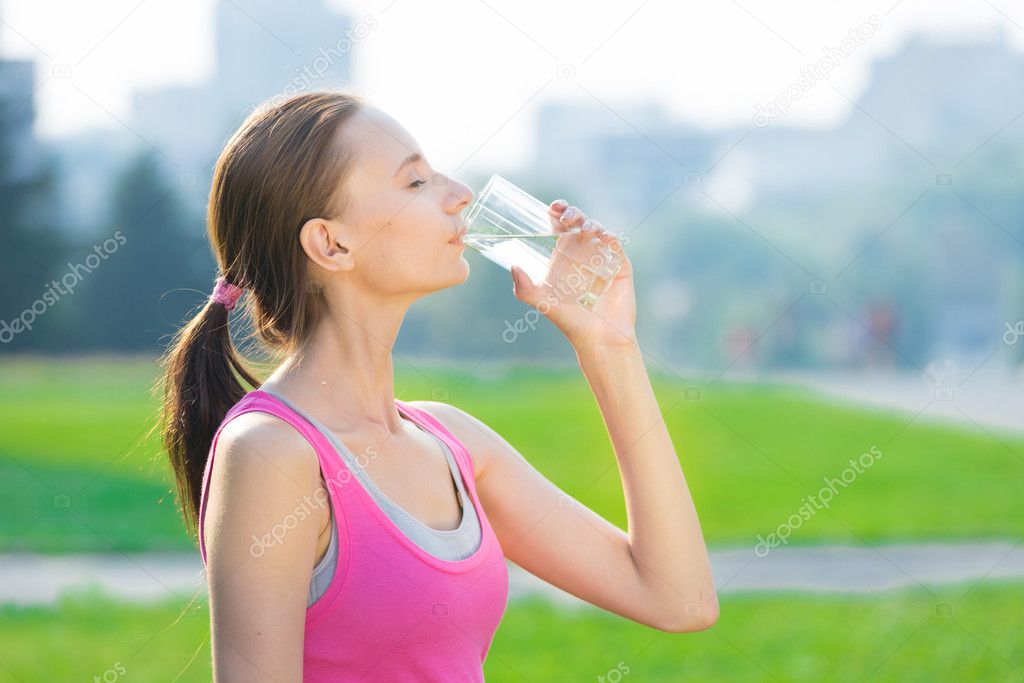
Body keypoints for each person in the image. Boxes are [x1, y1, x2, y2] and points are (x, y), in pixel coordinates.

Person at [156, 89, 718, 682]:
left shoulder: (452, 443)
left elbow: (677, 598)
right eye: (415, 182)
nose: (460, 194)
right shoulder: (270, 455)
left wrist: (610, 347)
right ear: (332, 243)